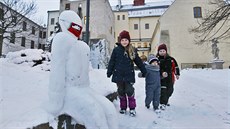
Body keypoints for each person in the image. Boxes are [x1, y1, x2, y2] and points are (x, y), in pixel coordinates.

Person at [46, 10, 118, 129]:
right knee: (95, 113)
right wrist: (56, 100)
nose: (78, 29)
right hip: (69, 90)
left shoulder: (83, 46)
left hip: (84, 89)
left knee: (108, 109)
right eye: (75, 26)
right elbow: (57, 71)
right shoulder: (61, 39)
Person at [107, 30, 147, 117]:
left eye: (126, 40)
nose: (124, 42)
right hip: (118, 74)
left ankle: (132, 108)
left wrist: (144, 71)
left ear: (129, 41)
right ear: (120, 41)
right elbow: (112, 62)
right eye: (122, 40)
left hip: (129, 74)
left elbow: (138, 61)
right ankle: (123, 107)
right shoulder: (116, 50)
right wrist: (109, 71)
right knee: (121, 91)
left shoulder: (132, 50)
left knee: (129, 90)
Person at [156, 43, 180, 110]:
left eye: (163, 51)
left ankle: (166, 100)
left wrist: (177, 74)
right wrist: (161, 73)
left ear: (166, 51)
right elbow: (155, 68)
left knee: (170, 90)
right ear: (158, 52)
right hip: (161, 78)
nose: (162, 52)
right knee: (163, 90)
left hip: (170, 77)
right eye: (160, 51)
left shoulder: (171, 59)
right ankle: (162, 103)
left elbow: (176, 67)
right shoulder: (157, 60)